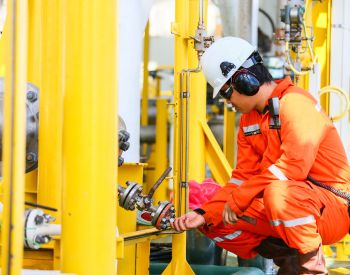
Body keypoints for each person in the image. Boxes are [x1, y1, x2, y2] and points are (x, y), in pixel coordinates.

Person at [171, 36, 350, 274]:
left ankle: (312, 269)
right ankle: (290, 263)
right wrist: (204, 213)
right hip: (287, 208)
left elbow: (293, 168)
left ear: (245, 81)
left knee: (278, 194)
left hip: (331, 209)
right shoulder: (248, 122)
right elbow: (241, 178)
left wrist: (241, 196)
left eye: (227, 94)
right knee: (214, 220)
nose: (229, 103)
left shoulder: (296, 103)